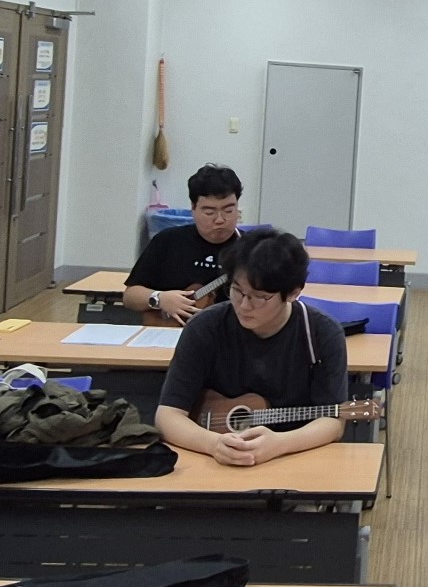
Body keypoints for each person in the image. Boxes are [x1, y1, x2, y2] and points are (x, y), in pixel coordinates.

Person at [155, 227, 349, 466]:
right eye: (237, 290)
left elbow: (333, 421)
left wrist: (280, 444)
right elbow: (168, 415)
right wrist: (214, 444)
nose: (244, 305)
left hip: (293, 457)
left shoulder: (322, 333)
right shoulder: (205, 326)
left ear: (293, 293)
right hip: (216, 459)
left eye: (259, 297)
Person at [124, 164, 243, 324]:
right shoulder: (168, 241)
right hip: (172, 330)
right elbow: (130, 296)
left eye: (228, 211)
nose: (220, 219)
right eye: (209, 212)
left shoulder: (251, 249)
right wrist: (160, 298)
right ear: (193, 208)